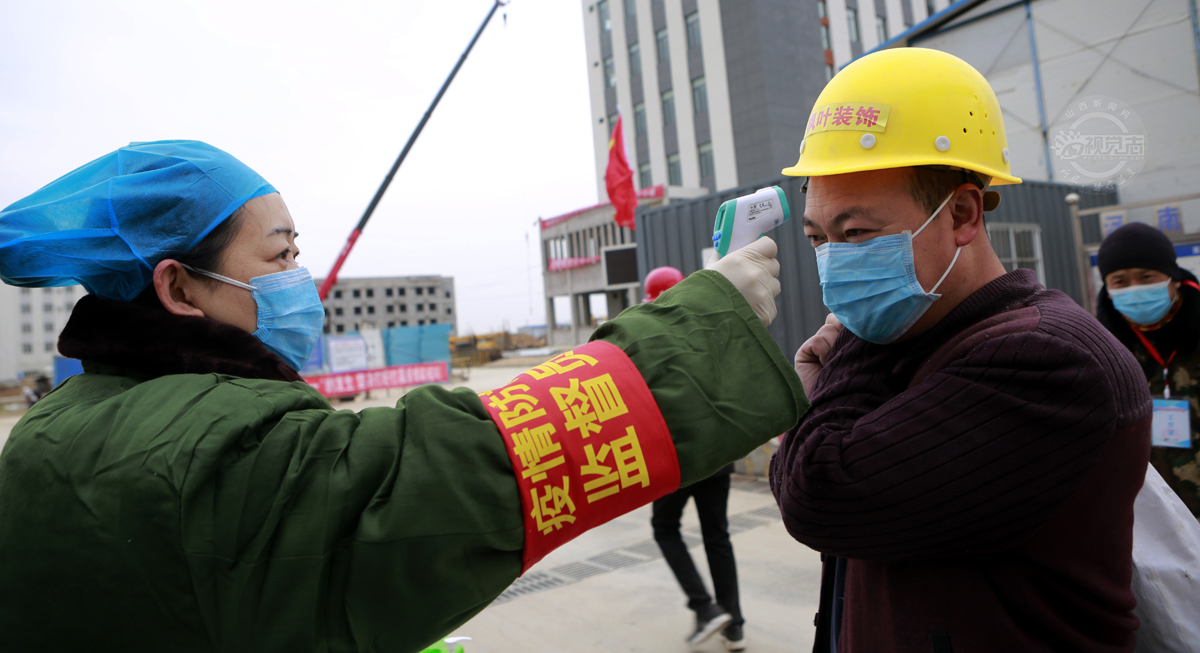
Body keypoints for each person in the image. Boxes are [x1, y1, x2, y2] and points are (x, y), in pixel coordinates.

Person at [0, 140, 808, 653]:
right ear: (178, 286)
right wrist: (700, 326)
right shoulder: (220, 440)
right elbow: (440, 472)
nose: (299, 280)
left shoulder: (49, 432)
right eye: (279, 256)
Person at [768, 48, 1151, 652]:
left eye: (858, 233)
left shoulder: (1047, 360)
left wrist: (853, 346)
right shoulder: (920, 339)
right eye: (820, 238)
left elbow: (817, 493)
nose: (834, 263)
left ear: (964, 214)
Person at [644, 265, 745, 651]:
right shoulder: (713, 331)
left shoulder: (653, 339)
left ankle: (705, 609)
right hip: (719, 451)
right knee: (716, 534)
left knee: (665, 528)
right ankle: (734, 625)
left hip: (680, 457)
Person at [1096, 221, 1200, 518]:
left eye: (1146, 277)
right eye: (1120, 282)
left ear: (1173, 278)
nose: (1135, 289)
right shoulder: (1102, 348)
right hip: (1153, 513)